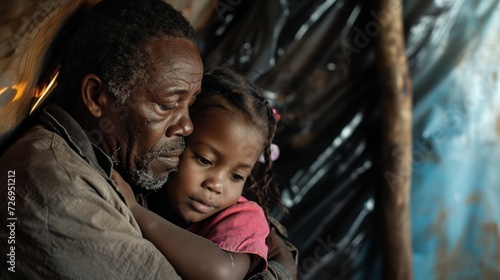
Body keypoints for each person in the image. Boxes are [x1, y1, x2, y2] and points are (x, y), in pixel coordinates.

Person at [0, 0, 296, 279]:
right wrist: (281, 267)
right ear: (96, 97)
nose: (187, 126)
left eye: (190, 105)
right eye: (167, 105)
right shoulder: (61, 194)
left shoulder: (125, 168)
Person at [113, 67, 291, 280]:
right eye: (205, 160)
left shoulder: (243, 218)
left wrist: (136, 211)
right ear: (178, 141)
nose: (216, 185)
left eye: (236, 176)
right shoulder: (146, 181)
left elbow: (223, 272)